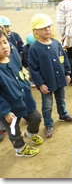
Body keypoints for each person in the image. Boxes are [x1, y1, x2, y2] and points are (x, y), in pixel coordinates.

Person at [29, 13, 72, 138]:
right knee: (47, 105)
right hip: (46, 83)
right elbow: (33, 69)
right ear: (35, 31)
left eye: (49, 26)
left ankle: (63, 114)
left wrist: (67, 73)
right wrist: (40, 84)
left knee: (61, 99)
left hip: (60, 79)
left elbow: (64, 58)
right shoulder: (34, 48)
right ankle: (48, 123)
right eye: (43, 27)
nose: (47, 29)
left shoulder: (56, 43)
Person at [0, 29, 43, 157]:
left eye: (4, 42)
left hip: (25, 100)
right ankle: (20, 148)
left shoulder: (12, 55)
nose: (4, 47)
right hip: (9, 109)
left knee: (35, 117)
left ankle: (30, 133)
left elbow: (15, 47)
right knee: (14, 130)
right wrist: (5, 112)